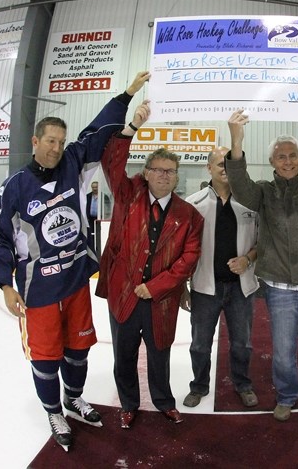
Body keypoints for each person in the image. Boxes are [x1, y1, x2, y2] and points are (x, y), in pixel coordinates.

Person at [0, 71, 151, 451]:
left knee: (78, 350)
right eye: (50, 141)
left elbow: (98, 130)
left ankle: (74, 398)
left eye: (61, 141)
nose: (56, 147)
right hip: (37, 290)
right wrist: (6, 285)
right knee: (45, 357)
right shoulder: (14, 187)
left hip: (75, 281)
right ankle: (53, 409)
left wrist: (127, 94)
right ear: (35, 141)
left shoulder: (73, 162)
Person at [224, 109, 298, 422]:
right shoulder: (263, 192)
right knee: (283, 352)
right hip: (279, 289)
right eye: (281, 157)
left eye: (292, 155)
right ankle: (287, 396)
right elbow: (240, 186)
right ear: (272, 162)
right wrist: (237, 141)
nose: (287, 161)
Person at [96, 103, 204, 431]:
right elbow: (110, 162)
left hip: (161, 301)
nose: (163, 175)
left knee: (160, 355)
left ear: (177, 174)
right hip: (124, 296)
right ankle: (129, 404)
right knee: (124, 356)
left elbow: (189, 259)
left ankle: (163, 402)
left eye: (170, 170)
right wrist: (132, 127)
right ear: (146, 173)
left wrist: (155, 287)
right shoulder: (128, 197)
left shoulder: (190, 215)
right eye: (157, 169)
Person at [181, 146, 260, 409]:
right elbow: (182, 250)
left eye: (230, 165)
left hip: (241, 287)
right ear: (209, 168)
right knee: (200, 345)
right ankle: (199, 385)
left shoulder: (251, 202)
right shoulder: (193, 204)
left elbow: (264, 242)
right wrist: (183, 285)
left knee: (242, 344)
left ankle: (243, 384)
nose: (225, 170)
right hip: (205, 288)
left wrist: (248, 259)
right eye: (220, 165)